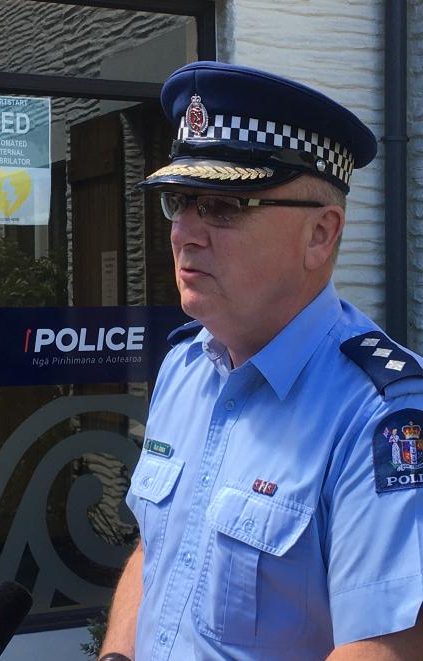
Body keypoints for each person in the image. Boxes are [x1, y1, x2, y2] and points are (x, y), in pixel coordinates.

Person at [98, 61, 423, 660]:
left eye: (222, 206)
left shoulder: (382, 414)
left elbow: (385, 646)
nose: (185, 233)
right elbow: (160, 549)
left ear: (320, 234)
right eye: (180, 201)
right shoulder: (185, 368)